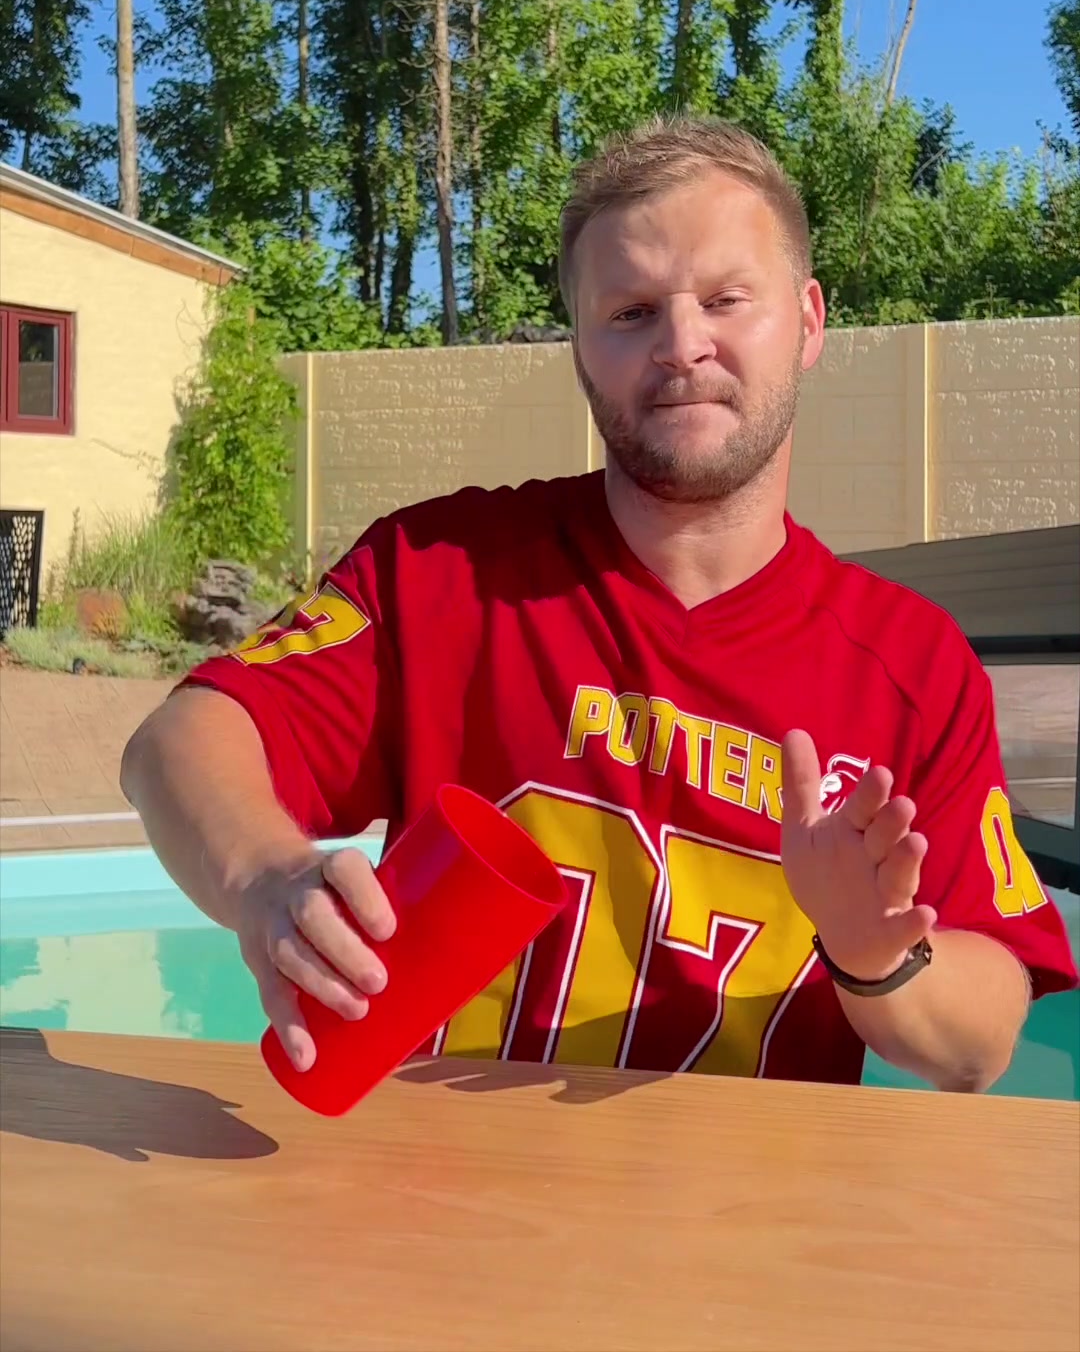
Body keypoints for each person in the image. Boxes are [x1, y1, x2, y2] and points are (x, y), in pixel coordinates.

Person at [121, 116, 1077, 1093]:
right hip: (435, 1179)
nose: (682, 345)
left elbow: (982, 1043)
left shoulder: (913, 666)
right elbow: (180, 740)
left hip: (750, 1193)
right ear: (580, 347)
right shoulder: (439, 571)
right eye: (631, 312)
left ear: (809, 320)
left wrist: (875, 954)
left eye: (726, 299)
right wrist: (265, 879)